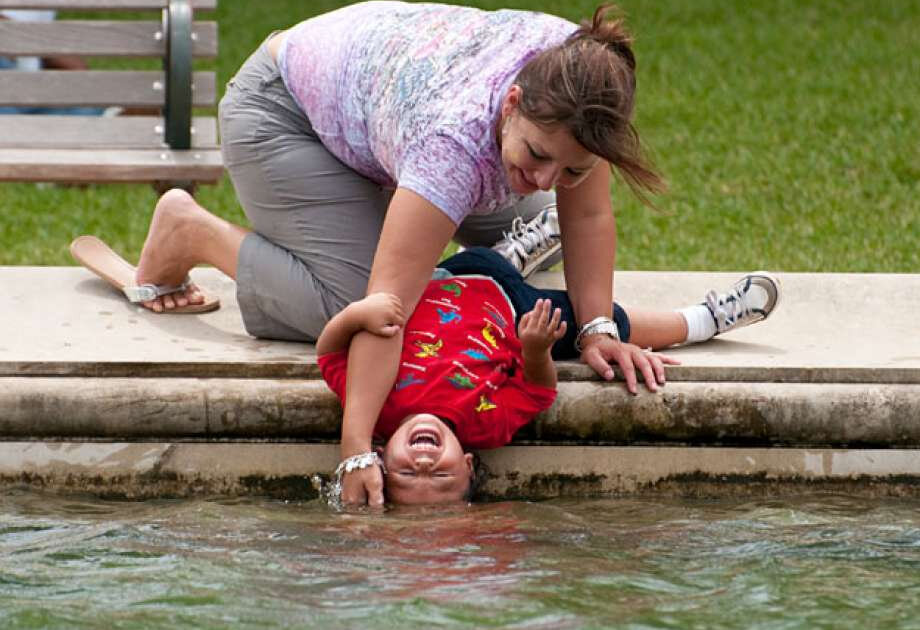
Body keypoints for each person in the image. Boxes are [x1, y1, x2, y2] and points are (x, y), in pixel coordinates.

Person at [103, 2, 682, 507]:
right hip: (284, 115)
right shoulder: (452, 146)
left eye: (571, 169)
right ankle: (190, 230)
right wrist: (356, 452)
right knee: (351, 303)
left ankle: (439, 234)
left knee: (542, 220)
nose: (546, 179)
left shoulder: (583, 80)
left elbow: (587, 213)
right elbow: (386, 314)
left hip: (385, 122)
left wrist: (599, 328)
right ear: (511, 102)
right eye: (537, 155)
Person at [316, 246, 781, 505]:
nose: (423, 466)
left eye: (404, 472)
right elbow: (538, 388)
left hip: (427, 278)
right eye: (440, 478)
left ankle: (521, 246)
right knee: (596, 323)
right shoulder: (487, 425)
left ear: (378, 454)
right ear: (468, 463)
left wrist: (358, 314)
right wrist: (535, 349)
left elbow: (330, 352)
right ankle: (703, 320)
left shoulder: (373, 402)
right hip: (510, 306)